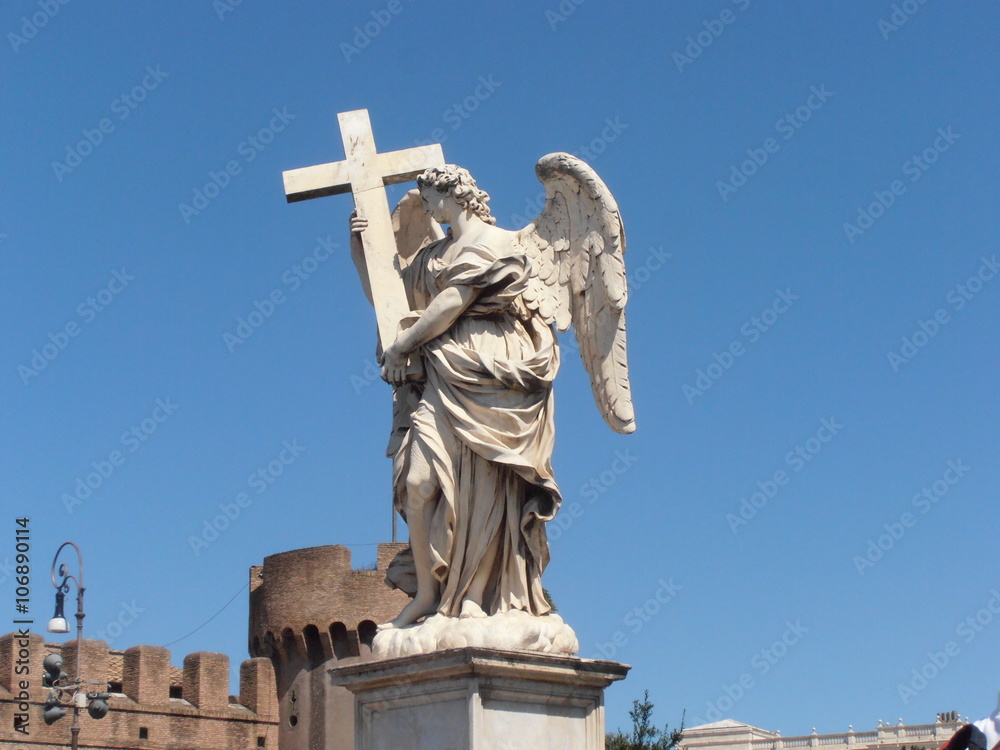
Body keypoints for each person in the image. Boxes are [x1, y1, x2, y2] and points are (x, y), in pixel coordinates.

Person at [349, 165, 562, 629]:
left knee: (484, 491)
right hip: (443, 374)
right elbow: (395, 304)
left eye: (429, 198)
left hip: (491, 372)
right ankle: (429, 592)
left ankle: (476, 596)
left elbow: (452, 302)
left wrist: (404, 345)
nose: (426, 208)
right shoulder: (434, 255)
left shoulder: (500, 242)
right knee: (418, 483)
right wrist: (361, 253)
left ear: (454, 193)